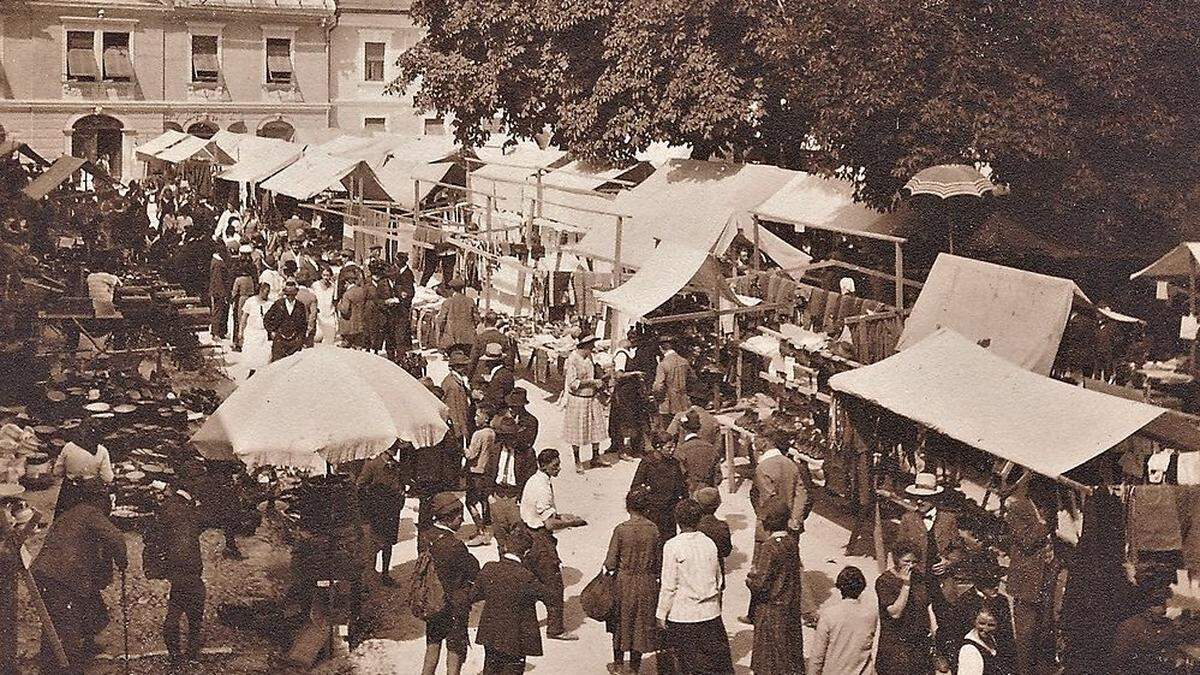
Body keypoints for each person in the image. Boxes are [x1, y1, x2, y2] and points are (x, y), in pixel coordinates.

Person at [31, 482, 128, 673]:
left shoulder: (69, 514)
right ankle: (70, 668)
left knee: (53, 618)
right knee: (68, 624)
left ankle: (51, 660)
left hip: (43, 571)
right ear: (101, 503)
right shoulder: (91, 514)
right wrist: (122, 562)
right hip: (63, 574)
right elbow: (116, 538)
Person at [657, 498, 733, 674]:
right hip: (710, 614)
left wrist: (661, 614)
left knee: (686, 665)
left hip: (683, 615)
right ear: (699, 520)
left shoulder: (672, 546)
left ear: (677, 520)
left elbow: (668, 585)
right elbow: (718, 580)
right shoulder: (709, 543)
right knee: (711, 664)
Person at [471, 526, 548, 674]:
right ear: (526, 552)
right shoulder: (526, 576)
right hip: (516, 638)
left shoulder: (489, 568)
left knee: (491, 668)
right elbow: (549, 597)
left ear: (505, 547)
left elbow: (474, 595)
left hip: (490, 634)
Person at [146, 474, 206, 666]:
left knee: (175, 610)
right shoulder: (193, 512)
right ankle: (192, 653)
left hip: (177, 570)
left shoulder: (167, 509)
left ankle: (175, 656)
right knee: (194, 616)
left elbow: (153, 537)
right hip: (192, 570)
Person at [521, 448, 578, 641]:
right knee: (554, 585)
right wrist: (570, 522)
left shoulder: (534, 480)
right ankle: (555, 629)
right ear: (544, 465)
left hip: (527, 535)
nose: (559, 469)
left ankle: (526, 624)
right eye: (555, 466)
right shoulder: (544, 488)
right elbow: (549, 523)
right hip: (540, 539)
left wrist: (561, 516)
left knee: (530, 582)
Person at [604, 487, 662, 674]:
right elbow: (658, 560)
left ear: (628, 508)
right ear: (646, 508)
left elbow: (611, 563)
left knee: (620, 621)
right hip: (647, 581)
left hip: (624, 582)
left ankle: (619, 664)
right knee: (640, 623)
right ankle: (635, 667)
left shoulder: (621, 530)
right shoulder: (653, 530)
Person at [423, 493, 481, 675]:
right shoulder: (455, 545)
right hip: (454, 605)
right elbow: (473, 570)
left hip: (433, 601)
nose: (462, 520)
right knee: (455, 651)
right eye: (459, 517)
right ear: (448, 518)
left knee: (432, 646)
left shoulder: (426, 536)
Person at [1004, 474, 1057, 675]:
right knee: (1026, 633)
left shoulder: (1045, 509)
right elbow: (1026, 542)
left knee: (1042, 630)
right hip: (1026, 581)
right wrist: (1043, 523)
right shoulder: (1018, 508)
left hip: (1045, 576)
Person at [746, 497, 804, 675]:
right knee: (789, 655)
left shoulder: (769, 547)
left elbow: (761, 583)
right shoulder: (791, 543)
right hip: (790, 607)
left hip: (772, 611)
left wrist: (750, 579)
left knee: (769, 661)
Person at [875, 541, 933, 675]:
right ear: (896, 559)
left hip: (918, 643)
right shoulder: (885, 581)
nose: (911, 566)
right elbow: (895, 613)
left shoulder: (919, 577)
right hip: (896, 645)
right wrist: (906, 585)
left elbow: (926, 605)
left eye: (914, 562)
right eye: (906, 561)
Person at [355, 446, 409, 586]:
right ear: (384, 448)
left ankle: (385, 575)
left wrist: (401, 494)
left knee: (388, 544)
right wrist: (374, 495)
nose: (395, 450)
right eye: (392, 447)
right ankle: (368, 579)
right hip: (377, 512)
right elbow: (360, 486)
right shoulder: (372, 465)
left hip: (392, 511)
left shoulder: (396, 466)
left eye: (395, 446)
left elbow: (401, 486)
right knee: (373, 546)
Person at [809, 566, 877, 675]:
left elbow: (818, 655)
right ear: (862, 587)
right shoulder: (871, 614)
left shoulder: (829, 614)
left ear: (840, 588)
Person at [631, 432, 688, 545]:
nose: (673, 450)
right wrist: (647, 492)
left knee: (669, 542)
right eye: (669, 447)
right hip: (653, 511)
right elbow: (635, 486)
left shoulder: (674, 463)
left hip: (670, 511)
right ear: (658, 447)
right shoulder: (647, 463)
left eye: (673, 446)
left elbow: (681, 486)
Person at [563, 335, 610, 473]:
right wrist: (591, 382)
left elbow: (594, 372)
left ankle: (595, 457)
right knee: (577, 431)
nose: (593, 347)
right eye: (591, 345)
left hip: (592, 397)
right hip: (578, 399)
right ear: (585, 345)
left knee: (596, 428)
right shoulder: (573, 359)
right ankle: (577, 460)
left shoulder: (589, 357)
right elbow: (572, 384)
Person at [52, 421, 114, 516]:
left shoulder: (68, 446)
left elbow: (57, 471)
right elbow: (107, 478)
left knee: (64, 519)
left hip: (70, 490)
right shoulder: (102, 451)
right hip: (92, 492)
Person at [609, 336, 651, 460]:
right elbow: (619, 375)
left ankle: (629, 447)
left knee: (630, 419)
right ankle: (622, 451)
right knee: (624, 420)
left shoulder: (627, 354)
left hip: (630, 392)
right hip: (624, 393)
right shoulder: (622, 355)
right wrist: (635, 373)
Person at [464, 405, 498, 547]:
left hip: (475, 472)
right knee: (484, 500)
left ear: (486, 418)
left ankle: (480, 530)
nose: (475, 418)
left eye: (478, 416)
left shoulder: (478, 434)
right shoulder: (492, 433)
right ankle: (487, 530)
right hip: (487, 472)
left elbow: (471, 454)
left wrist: (463, 450)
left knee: (470, 502)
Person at [675, 410, 722, 493]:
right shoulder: (711, 448)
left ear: (683, 430)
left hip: (691, 494)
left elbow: (679, 478)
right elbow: (718, 477)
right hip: (709, 495)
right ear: (699, 429)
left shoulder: (681, 451)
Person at [263, 278, 308, 361]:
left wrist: (301, 338)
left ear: (296, 293)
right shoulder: (278, 304)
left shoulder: (300, 305)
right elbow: (267, 318)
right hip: (280, 339)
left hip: (295, 340)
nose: (290, 297)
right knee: (277, 364)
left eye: (292, 294)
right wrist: (271, 331)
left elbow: (304, 324)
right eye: (287, 294)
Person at [653, 341, 694, 428]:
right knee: (683, 428)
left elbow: (658, 386)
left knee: (668, 429)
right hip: (683, 401)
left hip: (668, 403)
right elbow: (692, 379)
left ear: (661, 349)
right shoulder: (684, 361)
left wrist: (656, 396)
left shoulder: (663, 365)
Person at [693, 487, 732, 577]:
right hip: (716, 571)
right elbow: (726, 552)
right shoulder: (723, 526)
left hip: (696, 572)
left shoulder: (694, 527)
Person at [958, 606, 1005, 675]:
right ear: (974, 622)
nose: (985, 629)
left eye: (991, 625)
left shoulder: (992, 640)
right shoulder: (969, 649)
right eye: (981, 623)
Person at [441, 352, 474, 450]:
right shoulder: (453, 386)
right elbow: (455, 411)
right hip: (456, 430)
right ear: (458, 367)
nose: (467, 368)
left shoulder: (456, 381)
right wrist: (462, 431)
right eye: (464, 366)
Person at [437, 277, 478, 354]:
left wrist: (440, 337)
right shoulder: (470, 301)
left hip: (452, 340)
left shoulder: (448, 302)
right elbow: (477, 319)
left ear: (452, 289)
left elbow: (441, 320)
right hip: (468, 339)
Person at [239, 282, 272, 373]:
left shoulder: (270, 303)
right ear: (260, 291)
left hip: (264, 333)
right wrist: (240, 331)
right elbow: (244, 317)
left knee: (264, 355)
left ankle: (262, 373)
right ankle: (252, 372)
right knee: (251, 353)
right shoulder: (251, 301)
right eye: (266, 291)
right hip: (252, 331)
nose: (267, 294)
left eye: (268, 292)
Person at [469, 312, 514, 379]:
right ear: (496, 322)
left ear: (485, 322)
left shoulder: (479, 338)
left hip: (482, 373)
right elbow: (509, 358)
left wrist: (469, 376)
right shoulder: (503, 337)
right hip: (499, 374)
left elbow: (473, 359)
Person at [478, 343, 516, 409]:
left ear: (491, 362)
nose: (486, 364)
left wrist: (481, 396)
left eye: (487, 361)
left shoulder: (499, 377)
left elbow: (497, 401)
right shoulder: (504, 372)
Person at [337, 272, 368, 348]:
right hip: (360, 323)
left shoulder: (347, 294)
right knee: (358, 346)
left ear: (347, 282)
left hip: (349, 326)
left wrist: (338, 305)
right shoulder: (362, 291)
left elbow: (345, 310)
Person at [209, 247, 231, 340]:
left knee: (224, 311)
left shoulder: (218, 261)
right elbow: (218, 280)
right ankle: (216, 332)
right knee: (218, 311)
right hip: (220, 291)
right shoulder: (217, 263)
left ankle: (222, 331)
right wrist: (223, 294)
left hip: (221, 290)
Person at [312, 265, 338, 345]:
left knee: (330, 341)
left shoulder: (333, 287)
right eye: (324, 275)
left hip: (330, 316)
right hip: (319, 316)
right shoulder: (315, 285)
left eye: (328, 275)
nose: (326, 277)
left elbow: (334, 301)